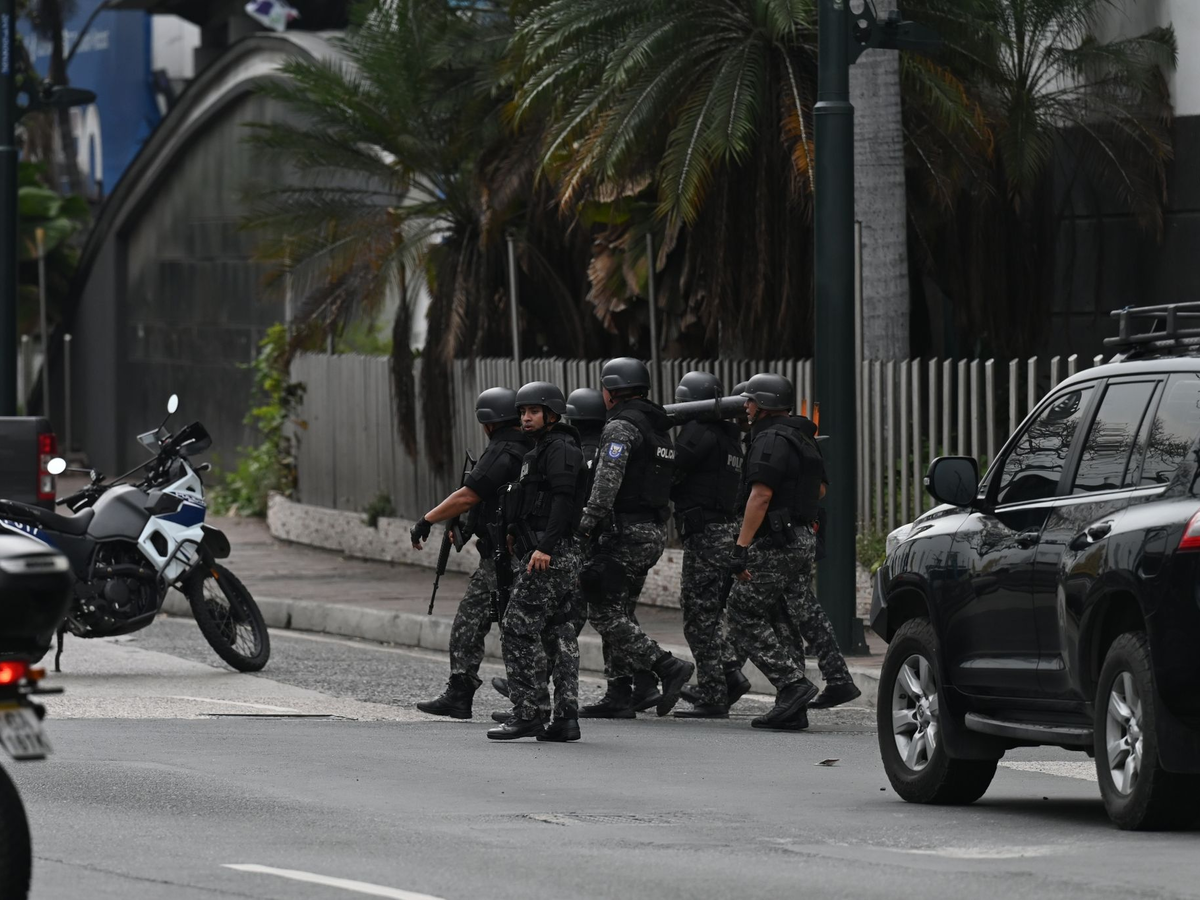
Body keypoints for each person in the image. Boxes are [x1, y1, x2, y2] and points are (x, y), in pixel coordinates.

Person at [576, 358, 694, 719]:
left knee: (602, 611)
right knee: (620, 610)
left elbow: (606, 481)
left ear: (611, 391)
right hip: (652, 530)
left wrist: (585, 524)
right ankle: (620, 694)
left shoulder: (620, 426)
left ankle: (667, 666)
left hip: (623, 533)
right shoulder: (657, 428)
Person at [410, 388, 531, 719]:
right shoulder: (525, 446)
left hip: (508, 557)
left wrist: (426, 520)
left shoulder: (504, 450)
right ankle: (460, 693)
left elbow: (468, 495)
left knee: (515, 628)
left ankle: (528, 704)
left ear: (488, 422)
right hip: (499, 554)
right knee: (472, 620)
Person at [489, 387, 606, 719]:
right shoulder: (539, 451)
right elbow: (534, 502)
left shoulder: (561, 448)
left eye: (533, 412)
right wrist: (515, 532)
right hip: (544, 551)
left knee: (515, 627)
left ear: (552, 415)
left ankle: (528, 712)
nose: (526, 418)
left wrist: (545, 547)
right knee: (558, 632)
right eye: (522, 412)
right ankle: (565, 718)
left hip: (550, 555)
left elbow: (563, 502)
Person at [725, 372, 826, 730]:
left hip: (776, 541)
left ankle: (792, 683)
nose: (746, 405)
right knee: (783, 618)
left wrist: (741, 547)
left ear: (764, 404)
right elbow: (820, 490)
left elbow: (761, 495)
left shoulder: (768, 439)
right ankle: (792, 709)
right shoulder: (803, 436)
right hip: (802, 538)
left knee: (741, 610)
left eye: (751, 400)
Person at [670, 372, 752, 719]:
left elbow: (672, 473)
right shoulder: (729, 437)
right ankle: (725, 676)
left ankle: (716, 691)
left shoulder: (696, 433)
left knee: (697, 617)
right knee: (710, 613)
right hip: (724, 530)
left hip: (704, 534)